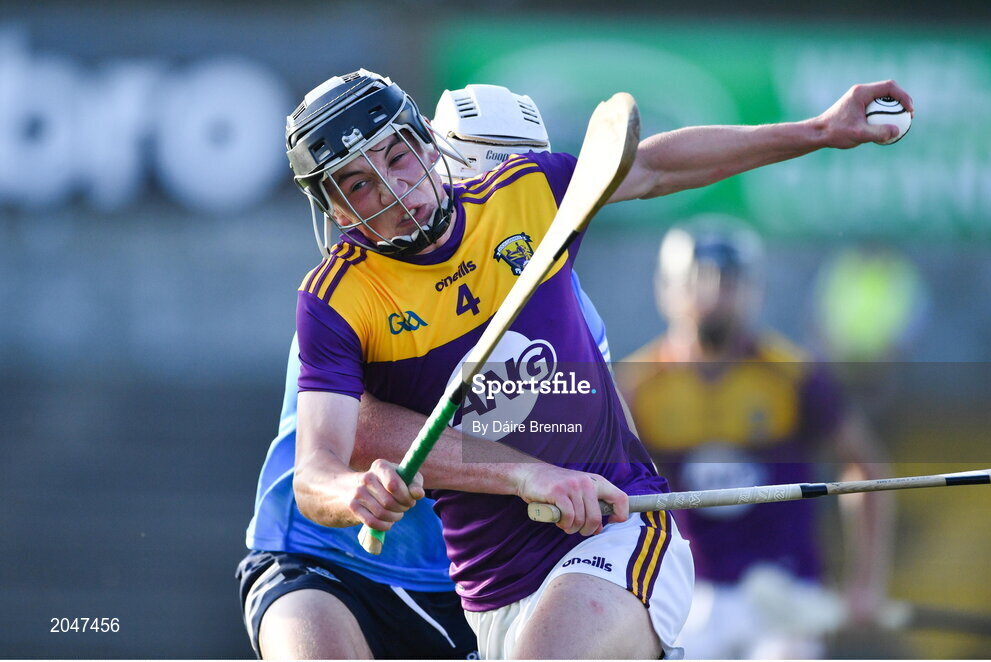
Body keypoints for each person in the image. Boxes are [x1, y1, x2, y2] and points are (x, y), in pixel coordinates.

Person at [284, 68, 912, 659]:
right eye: (359, 184)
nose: (394, 190)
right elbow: (320, 469)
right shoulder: (337, 299)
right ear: (334, 211)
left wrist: (819, 131)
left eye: (398, 157)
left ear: (427, 144)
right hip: (491, 591)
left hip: (620, 528)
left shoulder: (525, 194)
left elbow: (659, 166)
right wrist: (352, 493)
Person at [236, 83, 614, 659]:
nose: (500, 191)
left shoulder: (569, 307)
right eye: (481, 167)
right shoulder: (355, 299)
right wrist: (523, 474)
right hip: (330, 559)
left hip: (484, 582)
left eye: (521, 167)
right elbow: (363, 435)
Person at [618, 219, 893, 658]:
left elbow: (864, 467)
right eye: (695, 279)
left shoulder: (794, 376)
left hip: (785, 597)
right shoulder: (635, 388)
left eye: (728, 280)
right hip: (685, 598)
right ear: (664, 289)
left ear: (754, 290)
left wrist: (865, 583)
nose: (711, 294)